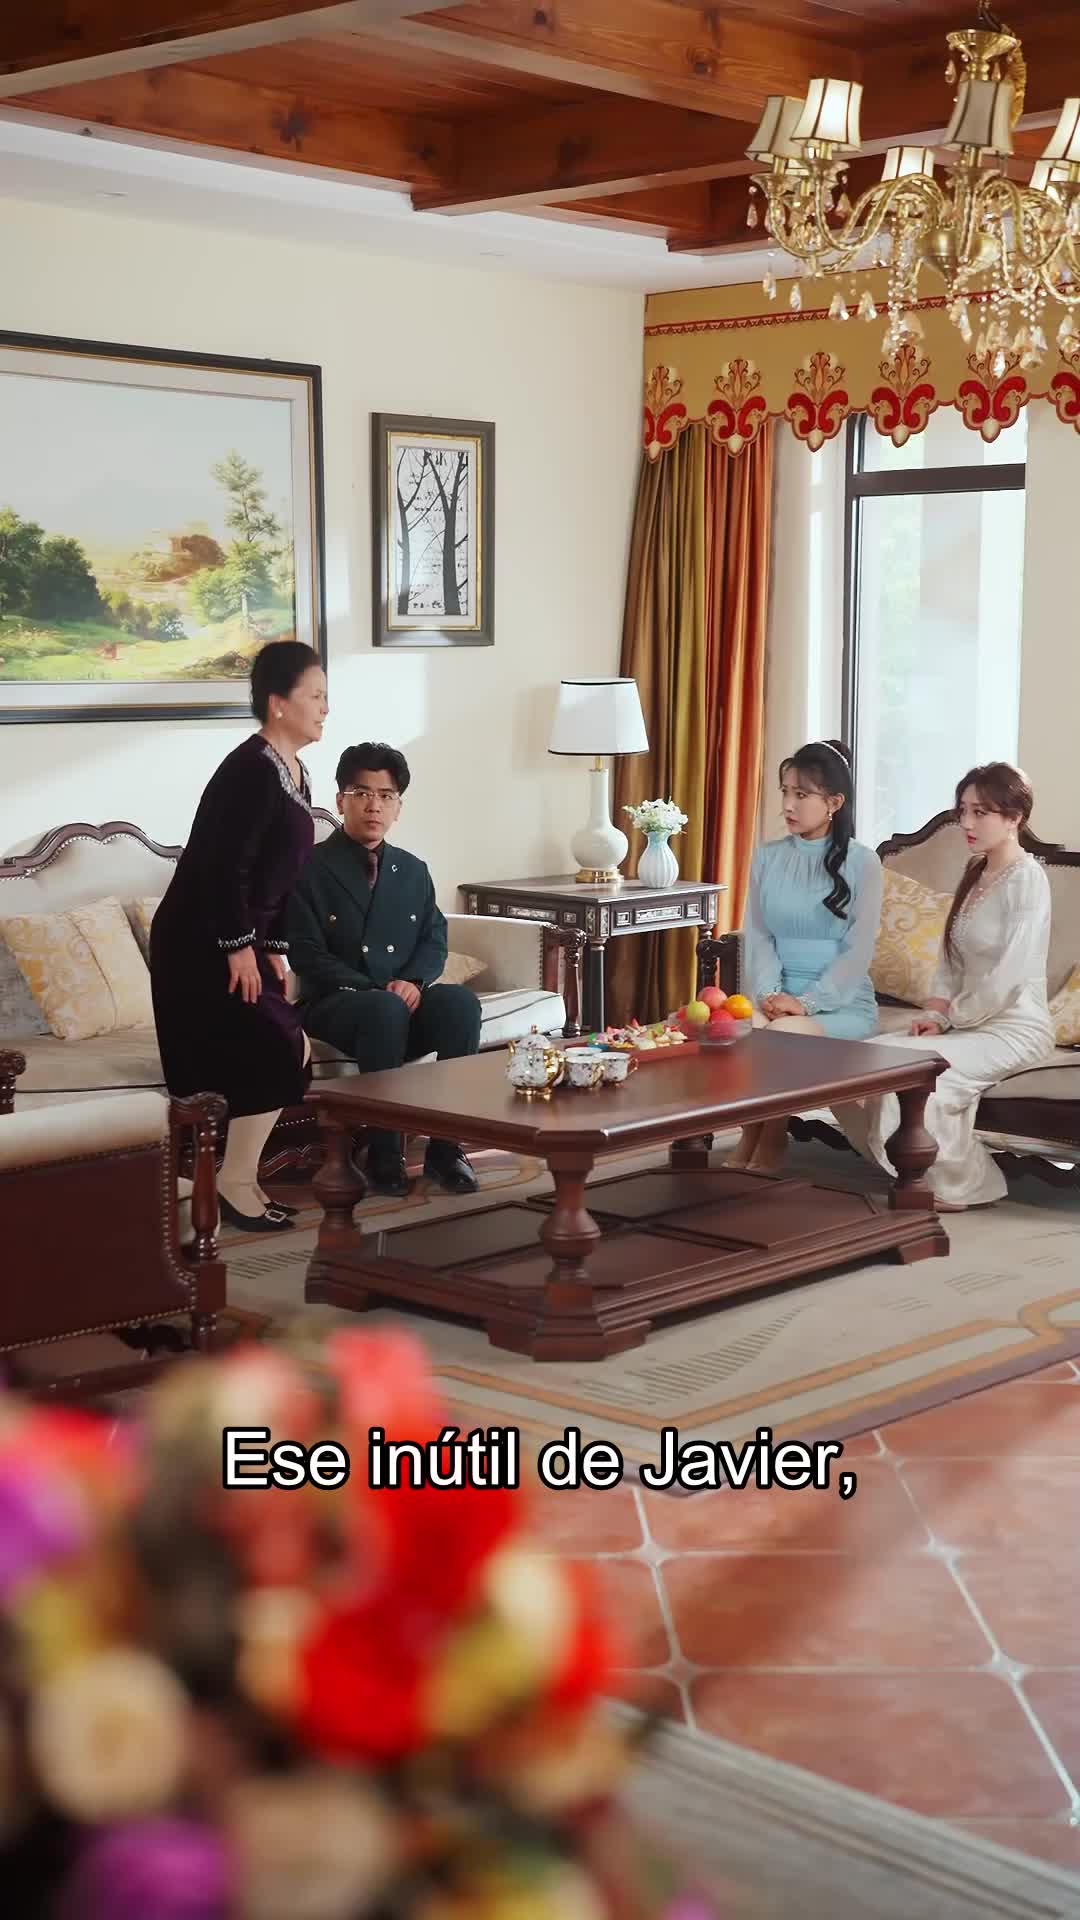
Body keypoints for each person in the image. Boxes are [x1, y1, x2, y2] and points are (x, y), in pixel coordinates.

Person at [150, 641, 327, 1234]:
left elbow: (283, 875)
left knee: (293, 1048)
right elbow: (224, 868)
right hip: (199, 943)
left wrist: (274, 949)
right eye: (315, 696)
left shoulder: (295, 770)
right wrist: (238, 947)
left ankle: (239, 1180)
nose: (325, 708)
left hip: (243, 938)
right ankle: (231, 1182)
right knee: (277, 1045)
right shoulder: (249, 770)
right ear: (278, 703)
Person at [832, 763, 1054, 1211]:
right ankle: (918, 1171)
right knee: (858, 1062)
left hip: (1016, 1026)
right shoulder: (976, 872)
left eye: (981, 812)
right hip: (967, 1021)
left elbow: (1009, 975)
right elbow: (950, 960)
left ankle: (955, 1183)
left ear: (1014, 818)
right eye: (963, 811)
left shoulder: (1027, 879)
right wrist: (934, 1014)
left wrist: (952, 1018)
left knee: (912, 1071)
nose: (967, 823)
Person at [288, 742, 481, 1197]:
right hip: (335, 1005)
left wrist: (413, 983)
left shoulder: (413, 870)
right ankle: (384, 1151)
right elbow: (305, 953)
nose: (373, 805)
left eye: (386, 795)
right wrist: (379, 988)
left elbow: (434, 939)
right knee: (384, 1009)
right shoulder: (308, 867)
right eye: (362, 793)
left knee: (460, 1004)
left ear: (398, 806)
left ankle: (447, 1149)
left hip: (399, 1001)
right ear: (341, 800)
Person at [730, 739, 883, 1173]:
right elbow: (758, 935)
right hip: (776, 994)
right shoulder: (767, 857)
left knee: (783, 1034)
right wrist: (768, 993)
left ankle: (771, 1136)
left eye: (801, 794)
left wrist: (806, 1002)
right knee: (741, 1028)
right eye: (785, 792)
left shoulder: (863, 863)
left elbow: (859, 949)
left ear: (834, 803)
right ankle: (751, 1132)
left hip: (840, 1002)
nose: (788, 805)